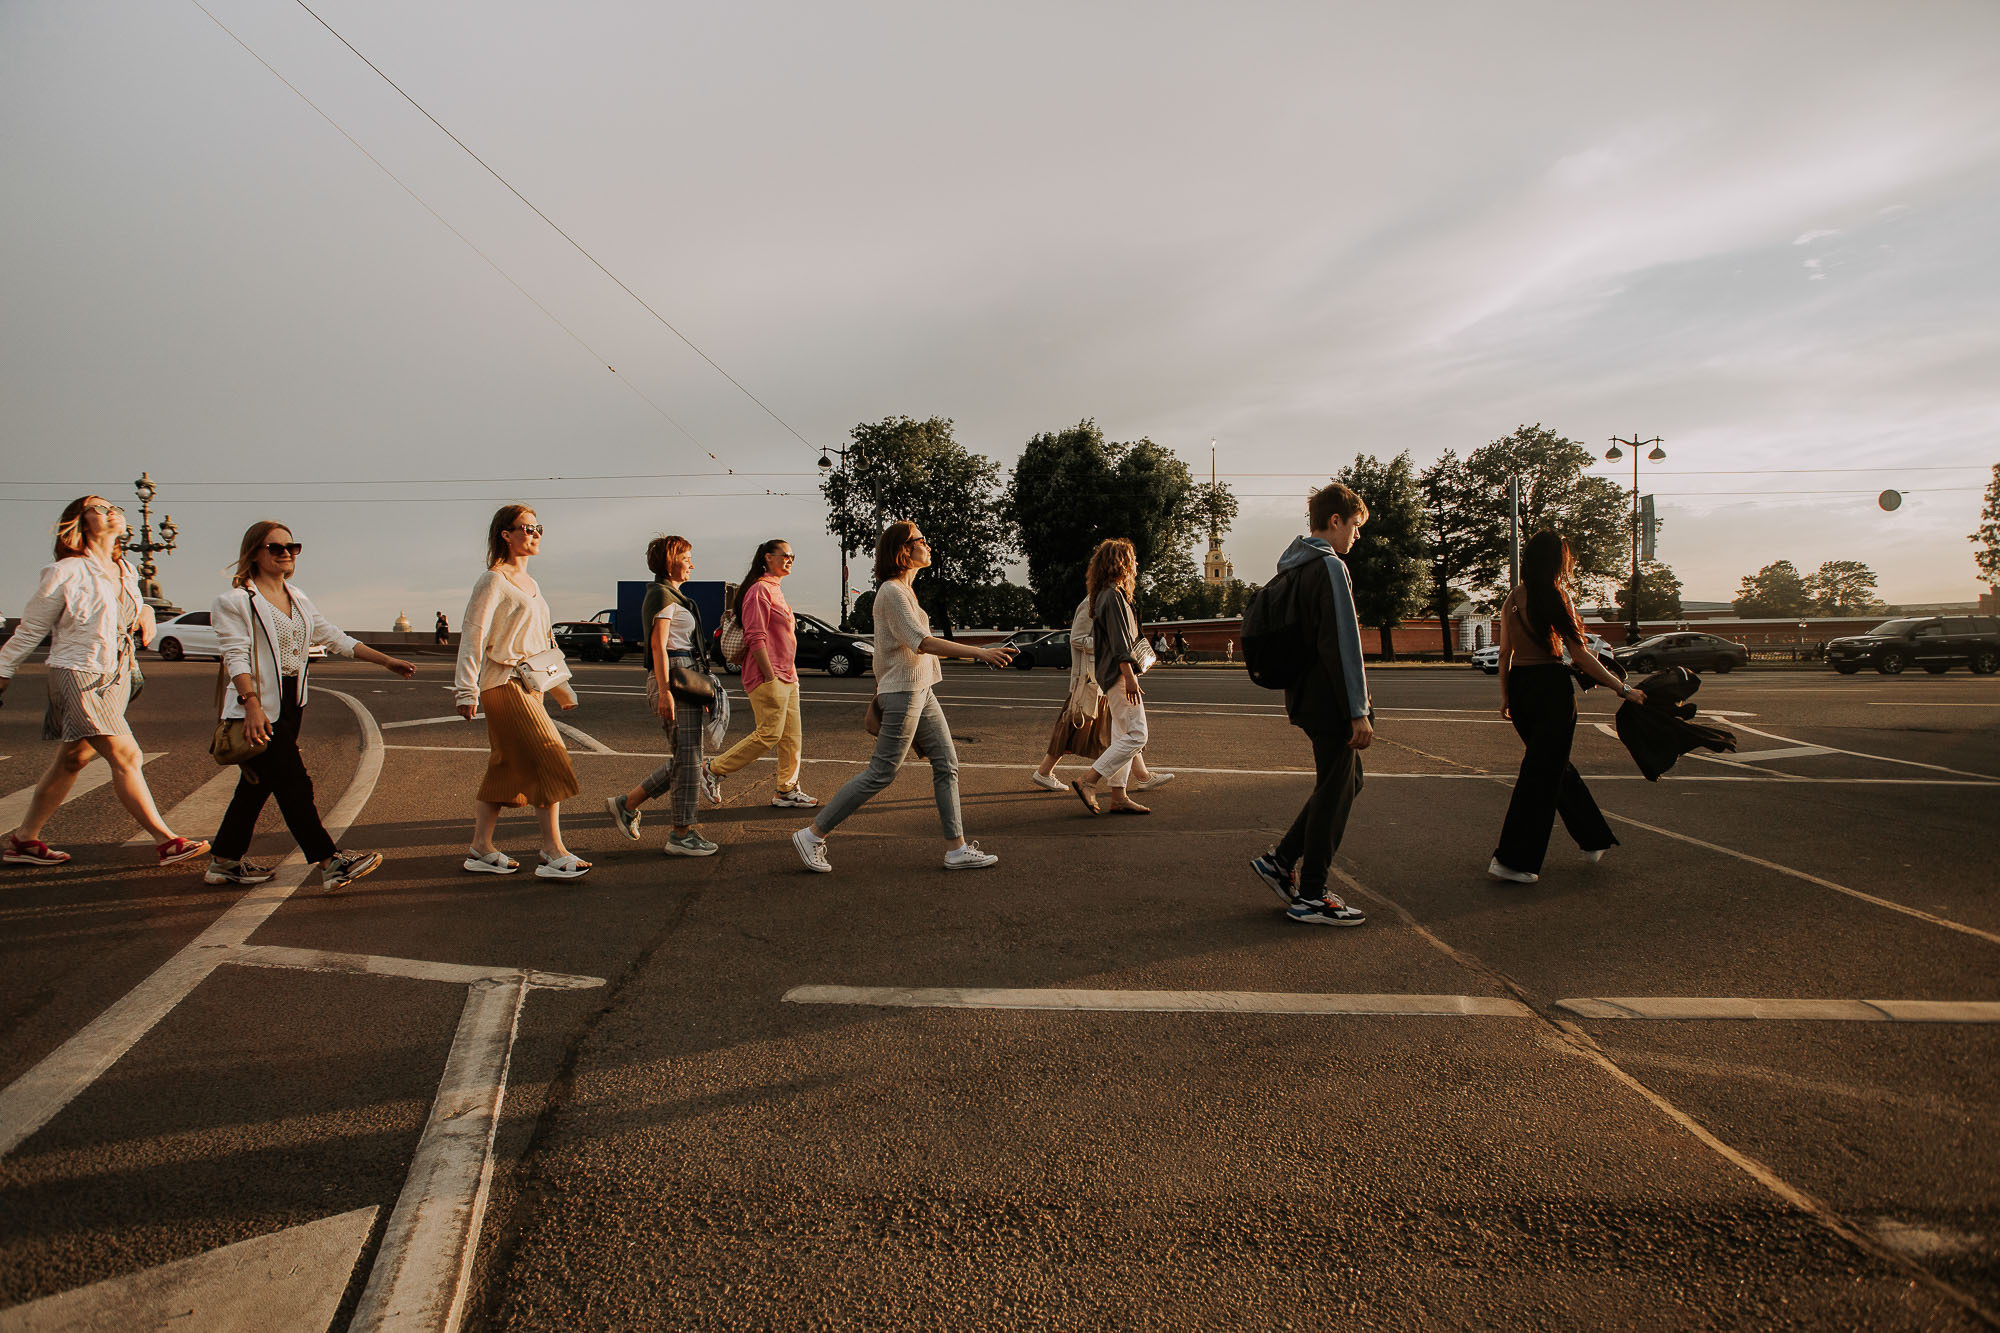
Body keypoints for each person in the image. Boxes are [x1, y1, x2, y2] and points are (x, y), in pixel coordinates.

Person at [792, 521, 1014, 873]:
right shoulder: (892, 592)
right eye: (920, 540)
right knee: (881, 773)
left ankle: (956, 849)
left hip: (920, 690)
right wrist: (981, 653)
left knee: (947, 763)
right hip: (906, 693)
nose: (927, 545)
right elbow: (921, 642)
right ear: (904, 550)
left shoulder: (905, 592)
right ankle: (812, 834)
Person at [0, 496, 208, 868]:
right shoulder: (65, 571)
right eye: (99, 507)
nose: (113, 511)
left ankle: (24, 840)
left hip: (115, 674)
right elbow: (30, 628)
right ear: (79, 523)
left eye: (115, 507)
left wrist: (144, 609)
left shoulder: (125, 568)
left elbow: (129, 606)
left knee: (74, 758)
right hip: (78, 672)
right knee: (128, 755)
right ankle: (167, 841)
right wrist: (2, 671)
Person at [207, 522, 416, 889]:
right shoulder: (235, 601)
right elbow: (235, 656)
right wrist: (251, 702)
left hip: (291, 704)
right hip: (257, 706)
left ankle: (224, 861)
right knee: (295, 784)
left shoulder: (298, 597)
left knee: (256, 787)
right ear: (255, 552)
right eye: (275, 547)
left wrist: (386, 661)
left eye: (292, 546)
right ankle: (330, 862)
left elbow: (334, 637)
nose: (286, 553)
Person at [1247, 483, 1375, 926]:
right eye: (1354, 527)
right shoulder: (1330, 567)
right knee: (1336, 788)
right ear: (1335, 520)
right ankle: (1312, 894)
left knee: (1345, 783)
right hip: (1331, 700)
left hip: (1305, 695)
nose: (1356, 537)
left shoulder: (1293, 568)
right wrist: (1357, 709)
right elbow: (1343, 642)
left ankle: (1281, 861)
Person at [1489, 530, 1645, 884]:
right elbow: (1581, 657)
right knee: (1540, 774)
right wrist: (1623, 689)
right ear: (1557, 562)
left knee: (1552, 766)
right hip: (1550, 690)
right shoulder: (1558, 597)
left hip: (1520, 687)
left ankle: (1593, 837)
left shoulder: (1512, 597)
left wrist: (1504, 697)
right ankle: (1513, 860)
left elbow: (1504, 653)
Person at [453, 505, 588, 879]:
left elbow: (542, 642)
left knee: (505, 769)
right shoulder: (493, 580)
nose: (535, 534)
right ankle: (551, 850)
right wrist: (466, 690)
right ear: (505, 535)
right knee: (549, 755)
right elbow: (473, 635)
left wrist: (561, 687)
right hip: (503, 683)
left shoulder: (531, 584)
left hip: (529, 685)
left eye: (538, 527)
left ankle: (480, 848)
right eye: (526, 528)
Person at [606, 535, 721, 857]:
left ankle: (626, 805)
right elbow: (657, 646)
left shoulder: (671, 595)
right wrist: (665, 691)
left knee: (688, 758)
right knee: (689, 759)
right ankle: (681, 834)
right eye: (687, 558)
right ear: (671, 560)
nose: (692, 565)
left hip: (685, 674)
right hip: (673, 675)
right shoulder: (660, 595)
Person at [704, 539, 815, 809]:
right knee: (769, 734)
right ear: (767, 558)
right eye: (784, 555)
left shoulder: (775, 589)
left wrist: (786, 674)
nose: (789, 559)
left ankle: (786, 790)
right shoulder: (758, 591)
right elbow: (755, 637)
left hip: (788, 675)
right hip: (769, 676)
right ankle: (713, 769)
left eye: (793, 556)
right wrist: (769, 675)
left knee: (792, 738)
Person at [1030, 590, 1171, 793]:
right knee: (1072, 727)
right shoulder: (1091, 603)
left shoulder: (1106, 600)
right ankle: (1044, 772)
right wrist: (1110, 645)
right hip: (1088, 680)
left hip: (1103, 678)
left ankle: (1143, 775)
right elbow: (1077, 638)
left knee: (1121, 728)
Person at [1069, 539, 1156, 815]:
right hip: (1119, 675)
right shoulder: (1113, 596)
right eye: (1132, 559)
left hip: (1112, 674)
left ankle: (1118, 796)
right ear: (1121, 563)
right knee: (1137, 735)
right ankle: (1089, 780)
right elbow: (1120, 643)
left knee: (1122, 736)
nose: (1136, 565)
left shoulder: (1107, 594)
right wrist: (1130, 676)